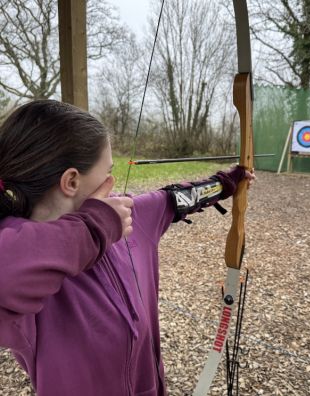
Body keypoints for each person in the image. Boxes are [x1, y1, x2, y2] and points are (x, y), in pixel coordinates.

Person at [0, 100, 254, 396]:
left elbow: (177, 199)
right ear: (71, 181)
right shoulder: (21, 261)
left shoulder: (124, 215)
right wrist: (93, 228)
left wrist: (226, 183)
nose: (113, 181)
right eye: (107, 171)